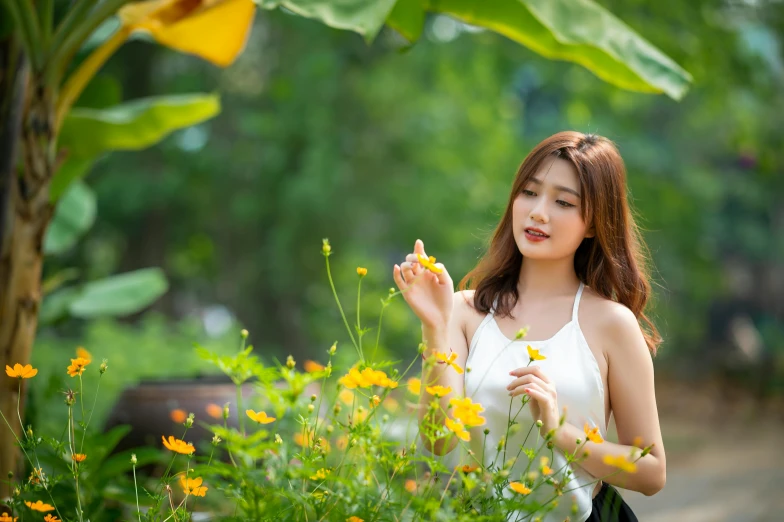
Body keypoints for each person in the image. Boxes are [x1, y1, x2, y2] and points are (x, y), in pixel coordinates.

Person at [392, 131, 665, 521]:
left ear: (593, 224)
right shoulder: (464, 313)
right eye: (530, 192)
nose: (539, 212)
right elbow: (438, 442)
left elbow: (652, 471)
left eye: (564, 202)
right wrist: (435, 328)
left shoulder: (611, 323)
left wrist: (561, 433)